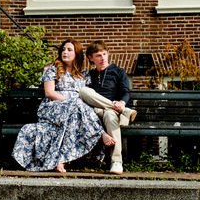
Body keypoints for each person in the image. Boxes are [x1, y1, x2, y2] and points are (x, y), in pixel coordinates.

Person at [11, 39, 109, 173]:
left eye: (69, 50)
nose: (65, 52)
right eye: (63, 49)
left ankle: (60, 161)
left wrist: (75, 104)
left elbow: (87, 97)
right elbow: (49, 93)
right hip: (52, 108)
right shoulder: (52, 69)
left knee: (74, 117)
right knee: (77, 105)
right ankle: (101, 133)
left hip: (75, 112)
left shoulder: (84, 74)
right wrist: (70, 102)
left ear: (77, 54)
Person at [79, 40, 136, 174]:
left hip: (116, 113)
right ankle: (124, 111)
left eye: (104, 54)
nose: (103, 58)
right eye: (98, 55)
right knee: (83, 91)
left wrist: (121, 104)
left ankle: (116, 162)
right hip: (98, 111)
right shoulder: (91, 75)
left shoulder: (119, 72)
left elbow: (126, 92)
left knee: (109, 114)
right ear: (91, 58)